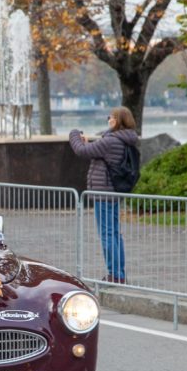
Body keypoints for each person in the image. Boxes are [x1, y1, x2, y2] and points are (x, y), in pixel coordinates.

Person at [68, 106, 139, 284]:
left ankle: (114, 275)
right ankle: (119, 275)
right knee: (114, 234)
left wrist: (74, 134)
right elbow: (96, 149)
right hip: (113, 193)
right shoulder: (122, 139)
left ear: (117, 120)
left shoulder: (111, 141)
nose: (109, 119)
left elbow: (82, 151)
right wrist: (87, 142)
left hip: (104, 193)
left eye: (111, 117)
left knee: (108, 234)